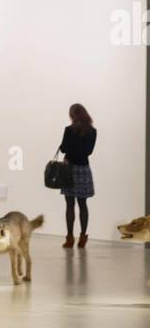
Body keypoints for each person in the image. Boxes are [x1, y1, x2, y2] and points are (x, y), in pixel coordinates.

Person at [59, 104, 97, 249]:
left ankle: (69, 238)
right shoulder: (92, 131)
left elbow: (63, 148)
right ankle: (83, 237)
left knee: (69, 205)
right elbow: (89, 151)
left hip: (69, 169)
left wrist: (70, 149)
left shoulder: (69, 130)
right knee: (83, 204)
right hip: (83, 170)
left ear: (73, 115)